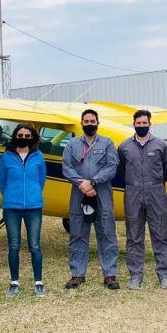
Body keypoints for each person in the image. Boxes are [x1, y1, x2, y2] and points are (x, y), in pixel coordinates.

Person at [62, 109, 121, 290]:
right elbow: (67, 167)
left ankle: (110, 275)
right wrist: (83, 185)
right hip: (79, 194)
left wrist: (93, 182)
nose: (89, 124)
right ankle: (77, 274)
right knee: (77, 234)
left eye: (92, 121)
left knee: (107, 234)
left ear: (98, 123)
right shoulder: (72, 144)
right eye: (86, 121)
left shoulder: (107, 143)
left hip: (102, 194)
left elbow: (112, 166)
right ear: (81, 123)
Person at [118, 109, 167, 290]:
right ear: (133, 124)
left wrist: (155, 182)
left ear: (150, 124)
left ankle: (164, 274)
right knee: (134, 236)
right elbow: (121, 168)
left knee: (162, 235)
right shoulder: (125, 146)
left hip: (156, 193)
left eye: (145, 123)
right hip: (133, 193)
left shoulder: (160, 145)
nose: (141, 126)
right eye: (138, 123)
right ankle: (135, 275)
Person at [0, 123, 47, 297]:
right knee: (14, 245)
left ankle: (38, 282)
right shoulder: (6, 157)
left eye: (27, 135)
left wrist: (32, 195)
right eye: (20, 135)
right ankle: (14, 282)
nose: (23, 138)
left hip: (34, 207)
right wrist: (11, 196)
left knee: (34, 246)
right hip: (12, 207)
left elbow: (41, 180)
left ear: (32, 137)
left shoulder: (39, 156)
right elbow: (1, 182)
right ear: (15, 136)